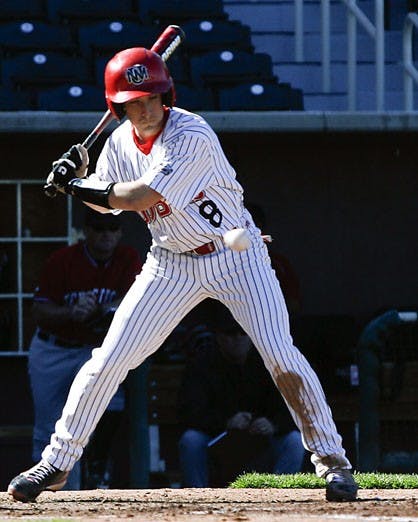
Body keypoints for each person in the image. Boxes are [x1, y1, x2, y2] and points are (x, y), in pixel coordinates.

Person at [8, 46, 357, 502]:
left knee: (280, 355)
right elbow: (105, 197)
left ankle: (333, 463)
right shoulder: (117, 143)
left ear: (166, 93)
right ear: (119, 107)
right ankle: (56, 463)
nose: (147, 107)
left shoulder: (191, 133)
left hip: (237, 255)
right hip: (170, 261)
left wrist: (77, 186)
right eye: (135, 100)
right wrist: (82, 178)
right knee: (108, 359)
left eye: (153, 96)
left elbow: (139, 195)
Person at [27, 208, 142, 489]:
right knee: (48, 425)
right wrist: (71, 312)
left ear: (120, 233)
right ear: (87, 232)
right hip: (54, 349)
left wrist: (101, 309)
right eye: (99, 228)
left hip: (94, 348)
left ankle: (96, 472)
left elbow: (137, 301)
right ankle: (49, 491)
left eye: (112, 229)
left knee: (111, 406)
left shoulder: (127, 259)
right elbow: (39, 312)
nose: (106, 235)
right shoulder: (62, 260)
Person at [178, 304, 305, 487]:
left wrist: (272, 424)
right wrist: (226, 423)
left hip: (262, 442)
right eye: (230, 334)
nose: (237, 339)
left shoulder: (269, 363)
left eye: (243, 333)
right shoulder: (203, 364)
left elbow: (292, 408)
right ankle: (197, 498)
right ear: (219, 337)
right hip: (217, 441)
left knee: (294, 441)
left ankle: (279, 497)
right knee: (191, 440)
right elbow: (190, 412)